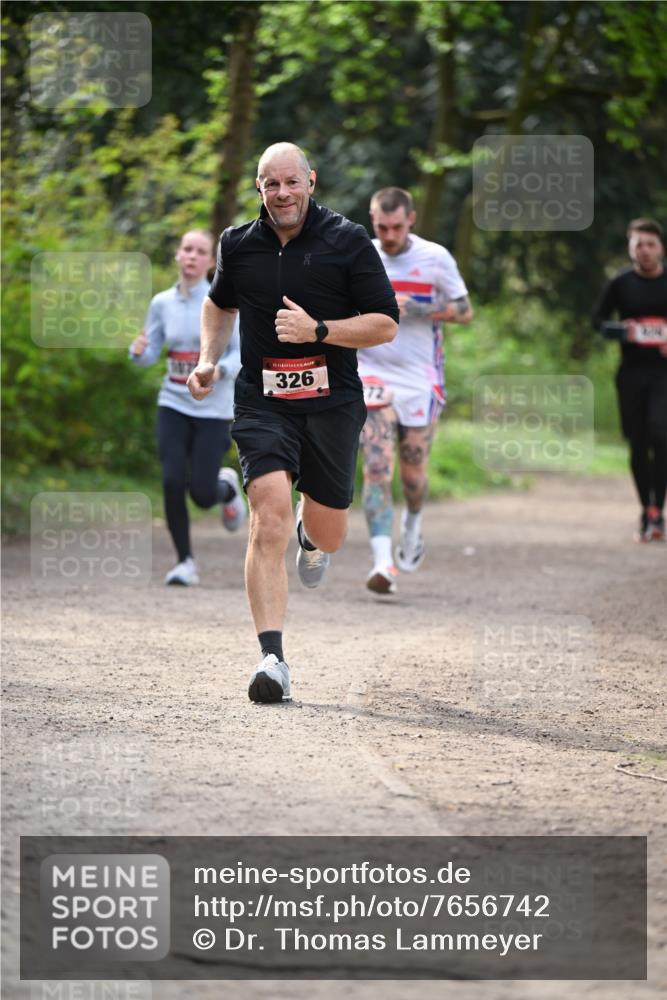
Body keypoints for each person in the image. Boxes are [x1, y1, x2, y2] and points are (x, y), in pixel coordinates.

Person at [187, 143, 398, 703]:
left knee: (326, 530)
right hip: (263, 400)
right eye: (270, 184)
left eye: (291, 182)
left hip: (333, 403)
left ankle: (314, 535)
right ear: (259, 188)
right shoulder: (238, 244)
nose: (281, 194)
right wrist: (209, 358)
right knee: (268, 516)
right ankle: (272, 658)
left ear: (311, 180)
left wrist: (320, 331)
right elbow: (218, 303)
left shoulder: (347, 240)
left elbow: (384, 324)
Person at [357, 187, 473, 594]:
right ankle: (382, 562)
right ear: (372, 220)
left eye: (396, 226)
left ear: (412, 220)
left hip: (420, 378)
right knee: (375, 467)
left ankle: (413, 522)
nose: (388, 234)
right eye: (380, 225)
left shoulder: (435, 258)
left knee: (412, 475)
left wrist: (418, 308)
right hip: (371, 373)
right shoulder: (362, 254)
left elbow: (464, 310)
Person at [129, 229, 246, 586]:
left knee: (201, 493)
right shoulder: (161, 303)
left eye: (201, 252)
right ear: (178, 256)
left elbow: (242, 354)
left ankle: (225, 489)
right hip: (173, 402)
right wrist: (137, 352)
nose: (192, 256)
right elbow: (150, 356)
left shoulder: (223, 300)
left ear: (211, 261)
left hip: (213, 407)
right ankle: (185, 562)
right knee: (171, 480)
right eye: (187, 249)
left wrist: (217, 369)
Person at [593, 218, 667, 542]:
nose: (644, 250)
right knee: (638, 442)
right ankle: (646, 510)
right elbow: (598, 320)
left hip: (665, 374)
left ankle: (658, 511)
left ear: (661, 248)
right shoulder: (620, 283)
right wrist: (627, 331)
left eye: (650, 244)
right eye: (638, 244)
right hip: (632, 374)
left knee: (661, 433)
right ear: (630, 248)